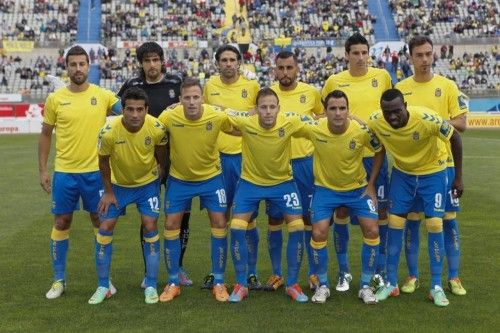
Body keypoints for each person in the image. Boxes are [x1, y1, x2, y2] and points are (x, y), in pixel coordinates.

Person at [39, 45, 120, 299]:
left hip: (96, 173)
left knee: (100, 222)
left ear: (89, 66)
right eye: (72, 65)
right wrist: (43, 170)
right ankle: (58, 281)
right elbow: (45, 135)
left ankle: (104, 281)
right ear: (67, 68)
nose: (77, 69)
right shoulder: (55, 99)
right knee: (61, 222)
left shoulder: (103, 95)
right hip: (64, 173)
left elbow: (132, 112)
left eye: (81, 64)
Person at [370, 88, 463, 307]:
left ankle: (436, 286)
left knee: (434, 223)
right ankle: (392, 283)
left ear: (405, 107)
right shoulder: (376, 122)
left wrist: (458, 177)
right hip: (403, 175)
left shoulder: (425, 119)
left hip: (433, 173)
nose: (392, 116)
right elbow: (376, 146)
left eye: (397, 111)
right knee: (394, 222)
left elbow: (455, 137)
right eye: (387, 112)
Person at [395, 35, 468, 296]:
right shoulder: (400, 88)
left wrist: (433, 122)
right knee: (412, 222)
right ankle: (413, 276)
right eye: (419, 55)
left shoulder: (447, 86)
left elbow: (461, 123)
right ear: (410, 58)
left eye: (428, 54)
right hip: (410, 167)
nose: (425, 60)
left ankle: (454, 277)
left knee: (448, 221)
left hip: (443, 165)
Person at [117, 42, 194, 287]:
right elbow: (119, 113)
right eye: (147, 60)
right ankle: (147, 271)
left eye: (155, 59)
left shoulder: (175, 82)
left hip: (177, 160)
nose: (152, 64)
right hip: (144, 163)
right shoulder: (132, 85)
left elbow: (192, 106)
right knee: (148, 219)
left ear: (162, 60)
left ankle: (178, 267)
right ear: (141, 63)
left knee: (181, 217)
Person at [321, 33, 393, 292]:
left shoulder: (382, 77)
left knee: (379, 214)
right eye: (356, 53)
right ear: (347, 54)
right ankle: (343, 273)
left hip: (375, 156)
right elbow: (325, 113)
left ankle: (379, 272)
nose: (361, 58)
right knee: (341, 212)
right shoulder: (334, 81)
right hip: (344, 156)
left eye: (365, 52)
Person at [226, 88, 311, 303]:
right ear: (256, 110)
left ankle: (292, 283)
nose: (268, 112)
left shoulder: (289, 122)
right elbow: (217, 112)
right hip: (250, 183)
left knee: (298, 227)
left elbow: (318, 125)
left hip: (283, 184)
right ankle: (241, 284)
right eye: (263, 107)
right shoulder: (246, 122)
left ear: (279, 108)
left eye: (272, 107)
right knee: (236, 228)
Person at [157, 78, 237, 302]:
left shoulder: (217, 115)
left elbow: (242, 128)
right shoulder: (169, 116)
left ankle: (219, 281)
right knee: (171, 224)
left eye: (196, 97)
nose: (192, 102)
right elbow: (153, 135)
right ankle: (173, 281)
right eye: (187, 98)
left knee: (220, 223)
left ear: (202, 98)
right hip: (179, 179)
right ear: (180, 100)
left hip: (211, 179)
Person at [89, 87, 167, 305]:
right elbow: (103, 161)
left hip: (147, 185)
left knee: (150, 226)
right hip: (118, 186)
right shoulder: (108, 131)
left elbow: (161, 150)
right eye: (130, 109)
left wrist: (161, 169)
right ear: (121, 110)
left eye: (139, 110)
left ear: (146, 110)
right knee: (105, 228)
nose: (135, 114)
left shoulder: (157, 128)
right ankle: (104, 286)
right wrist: (108, 192)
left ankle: (150, 284)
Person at [306, 90, 384, 305]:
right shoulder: (314, 128)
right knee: (318, 231)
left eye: (342, 108)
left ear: (348, 111)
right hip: (325, 189)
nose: (338, 113)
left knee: (372, 229)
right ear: (325, 112)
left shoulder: (361, 131)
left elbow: (380, 150)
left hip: (357, 190)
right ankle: (322, 285)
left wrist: (371, 184)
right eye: (333, 108)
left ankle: (366, 285)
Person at [203, 44, 261, 289]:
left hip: (244, 158)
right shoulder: (210, 87)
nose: (228, 64)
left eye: (232, 60)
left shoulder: (252, 87)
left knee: (248, 218)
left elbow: (261, 114)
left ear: (239, 62)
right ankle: (217, 274)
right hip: (216, 161)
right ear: (217, 63)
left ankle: (251, 272)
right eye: (224, 60)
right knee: (219, 217)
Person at [267, 50, 323, 292]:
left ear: (297, 68)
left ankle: (313, 273)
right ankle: (277, 273)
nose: (285, 73)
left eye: (289, 68)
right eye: (281, 68)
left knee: (309, 218)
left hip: (305, 164)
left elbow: (321, 117)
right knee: (275, 218)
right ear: (275, 69)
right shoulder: (268, 94)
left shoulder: (310, 92)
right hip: (277, 166)